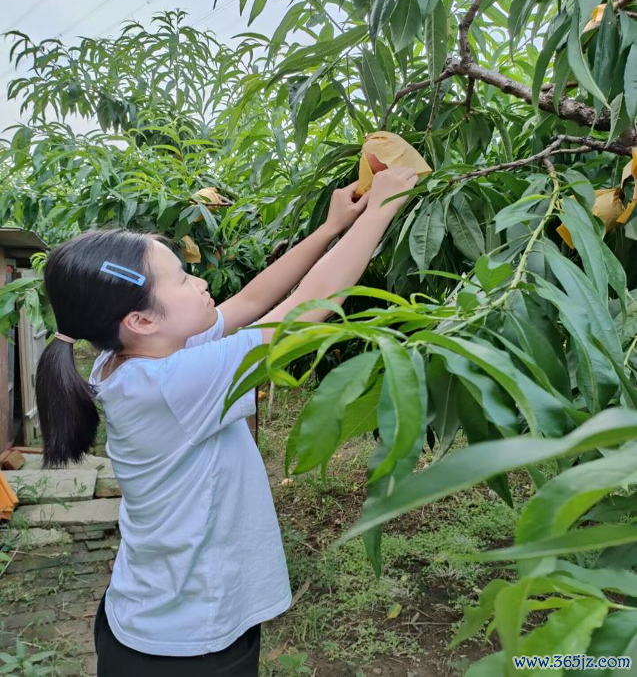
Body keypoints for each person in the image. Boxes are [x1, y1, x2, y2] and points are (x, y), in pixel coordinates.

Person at [35, 166, 418, 675]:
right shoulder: (172, 382)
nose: (200, 280)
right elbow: (304, 311)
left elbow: (253, 301)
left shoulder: (133, 358)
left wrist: (330, 227)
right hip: (190, 641)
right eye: (182, 278)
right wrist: (384, 207)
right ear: (142, 320)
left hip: (153, 619)